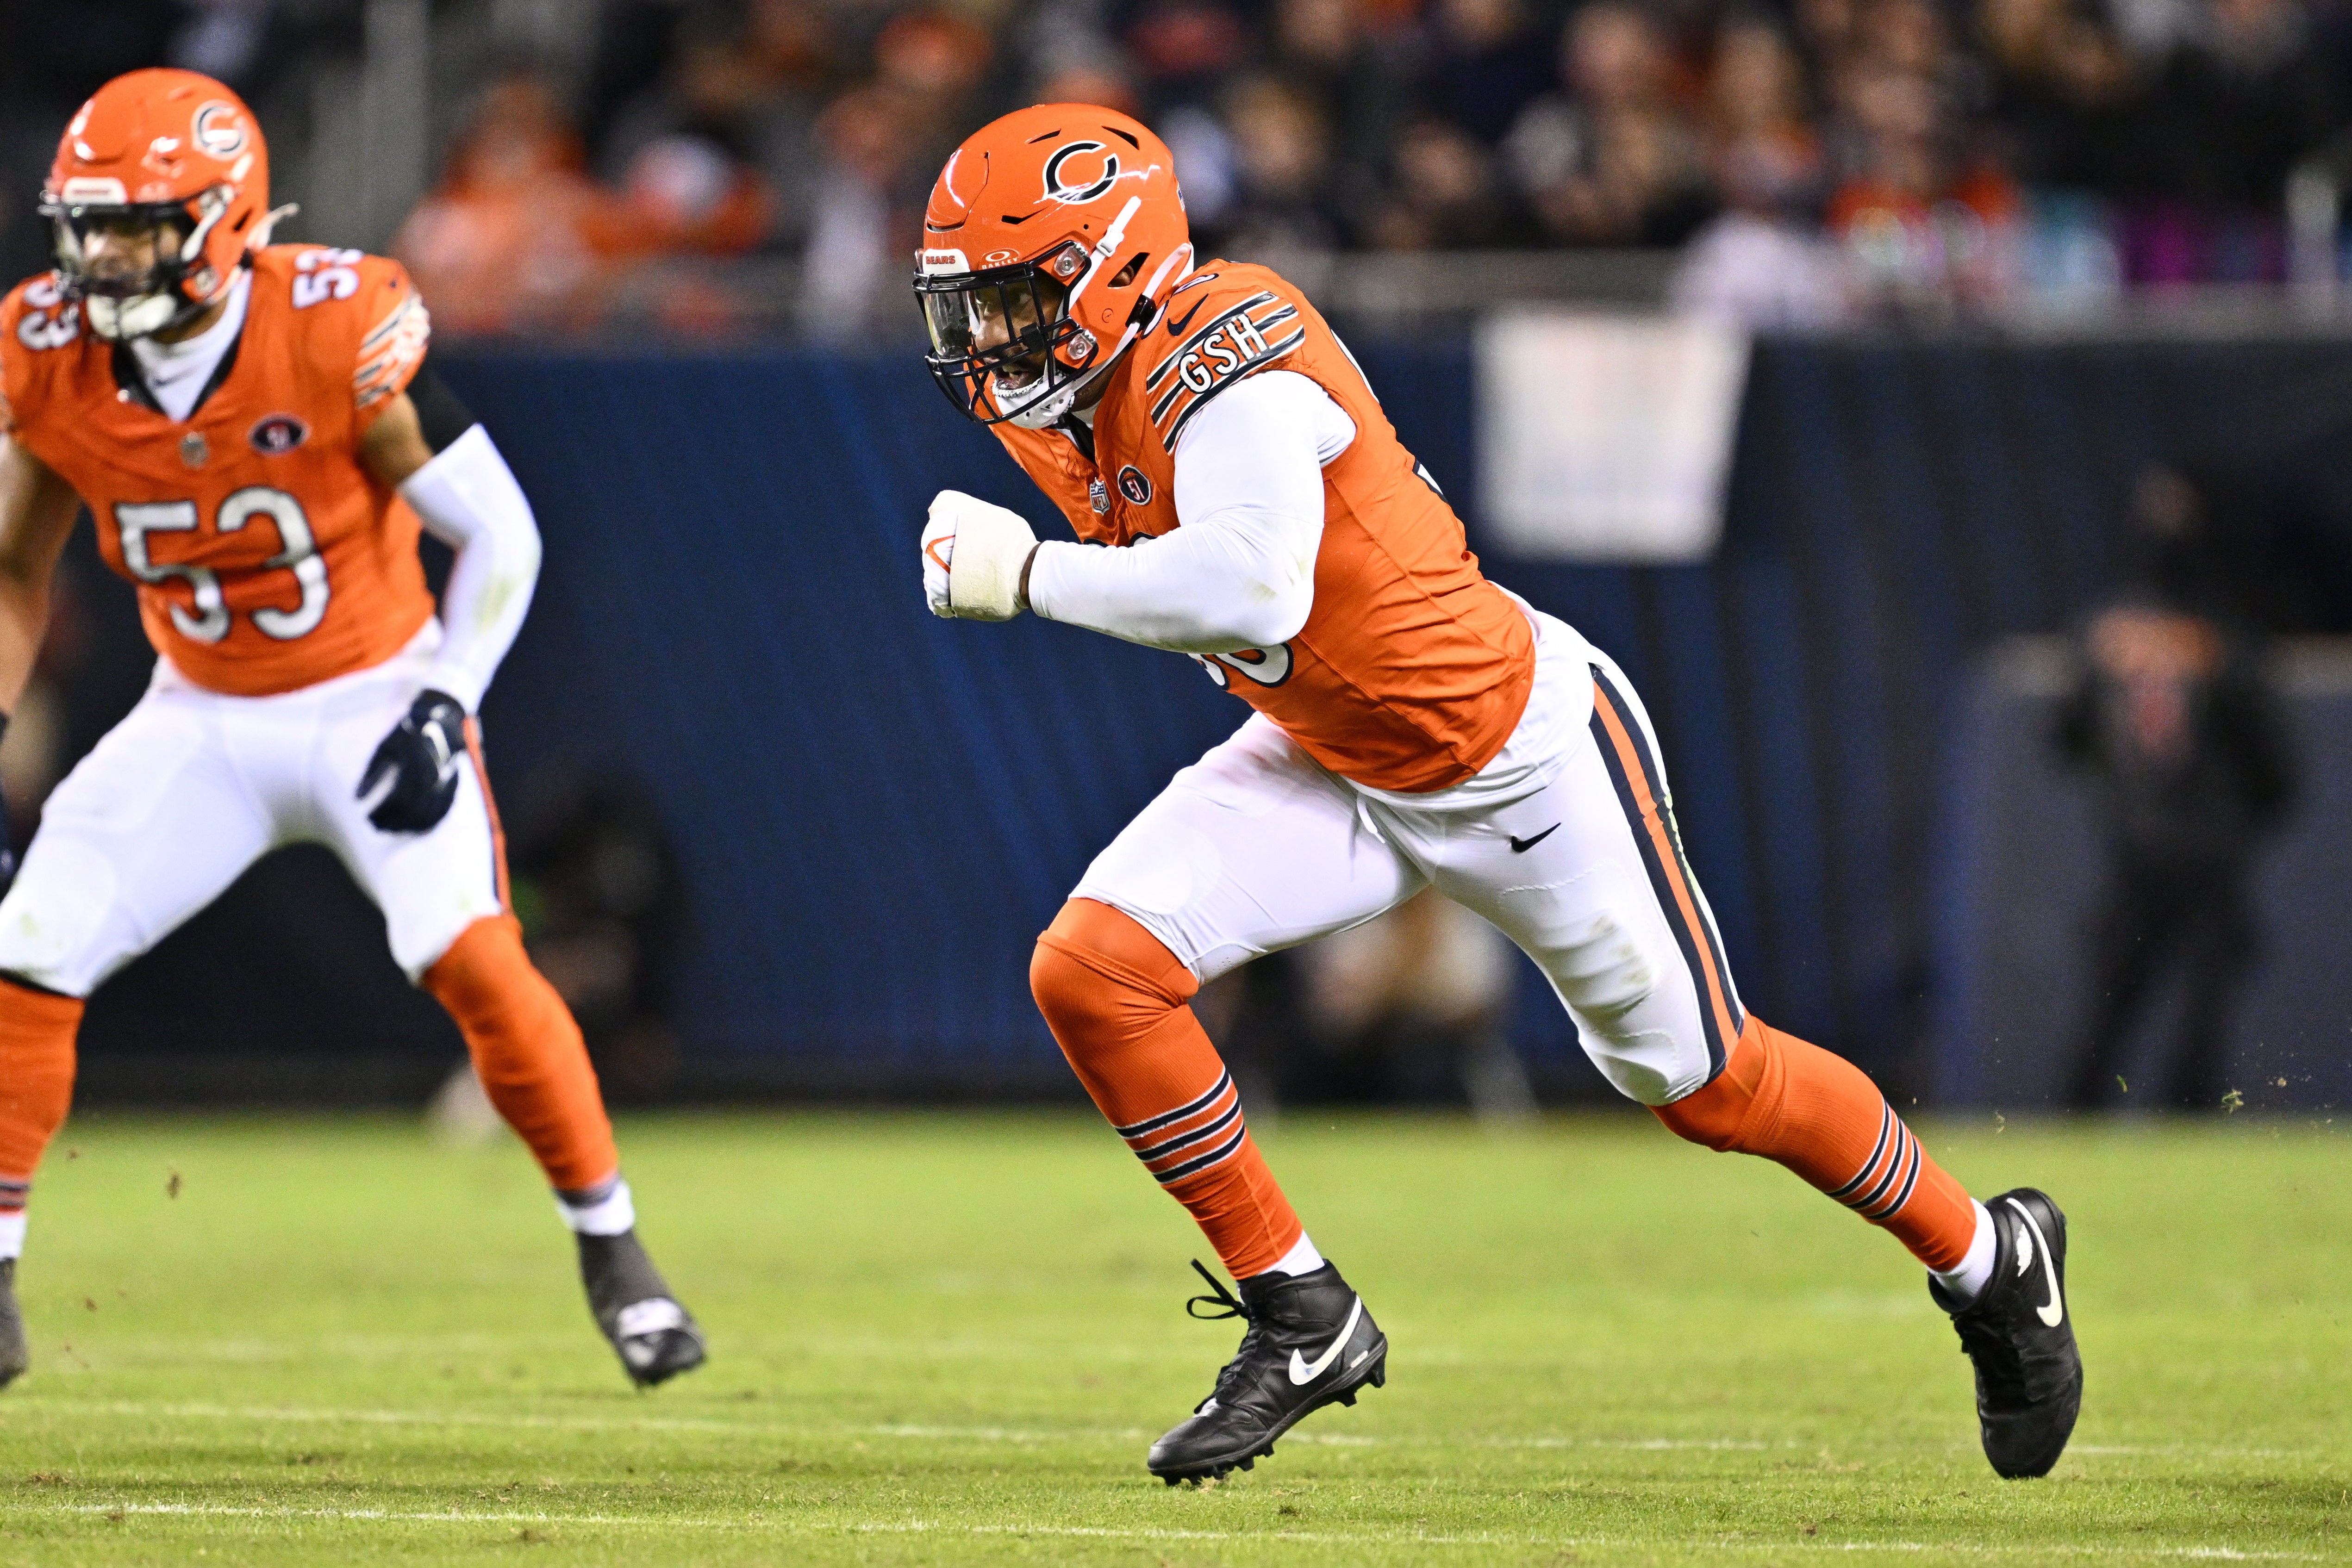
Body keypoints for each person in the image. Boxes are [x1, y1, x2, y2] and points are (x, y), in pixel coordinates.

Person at [912, 103, 2082, 1486]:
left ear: (1113, 269)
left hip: (1511, 753)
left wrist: (1028, 575)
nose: (987, 340)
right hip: (1331, 751)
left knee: (1707, 1082)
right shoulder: (1054, 401)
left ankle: (1990, 1256)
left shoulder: (1225, 348)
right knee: (1094, 973)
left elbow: (1251, 586)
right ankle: (1300, 1310)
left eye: (1014, 299)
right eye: (967, 307)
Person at [0, 69, 704, 1389]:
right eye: (89, 227)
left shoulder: (331, 324)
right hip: (199, 711)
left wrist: (445, 698)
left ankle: (616, 1249)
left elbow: (501, 532)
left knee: (471, 954)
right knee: (27, 947)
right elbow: (12, 572)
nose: (104, 259)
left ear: (224, 220)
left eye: (138, 229)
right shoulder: (44, 348)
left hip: (370, 694)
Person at [2056, 467, 2296, 1110]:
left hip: (2167, 850)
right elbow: (2275, 765)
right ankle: (2109, 1114)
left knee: (2159, 1003)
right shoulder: (2209, 634)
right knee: (2145, 1000)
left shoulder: (2139, 634)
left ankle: (2113, 1114)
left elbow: (2066, 737)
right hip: (2175, 850)